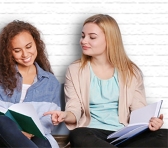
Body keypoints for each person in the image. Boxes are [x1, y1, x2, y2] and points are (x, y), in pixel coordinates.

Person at [45, 14, 167, 147]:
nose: (84, 41)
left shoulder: (131, 71)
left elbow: (139, 110)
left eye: (92, 37)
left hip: (125, 134)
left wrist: (151, 122)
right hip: (92, 133)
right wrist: (64, 115)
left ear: (110, 39)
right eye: (83, 35)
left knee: (164, 136)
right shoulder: (75, 70)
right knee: (78, 135)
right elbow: (73, 109)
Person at [0, 21, 61, 148]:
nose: (25, 54)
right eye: (17, 50)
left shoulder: (51, 82)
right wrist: (15, 130)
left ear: (36, 43)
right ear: (9, 52)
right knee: (1, 120)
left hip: (34, 138)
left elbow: (48, 123)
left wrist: (28, 132)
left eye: (28, 47)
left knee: (42, 141)